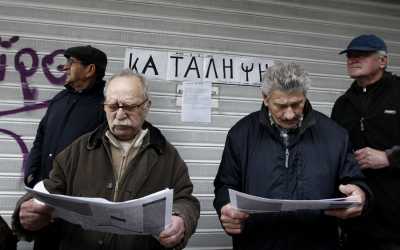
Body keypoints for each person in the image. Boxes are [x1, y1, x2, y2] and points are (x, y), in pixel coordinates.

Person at [12, 70, 200, 250]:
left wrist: (180, 219)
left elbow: (185, 199)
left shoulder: (167, 156)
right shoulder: (78, 150)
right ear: (104, 106)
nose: (119, 115)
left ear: (146, 106)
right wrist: (28, 210)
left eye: (129, 106)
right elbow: (48, 189)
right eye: (112, 106)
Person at [213, 62, 370, 250]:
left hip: (319, 243)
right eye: (281, 105)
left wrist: (360, 193)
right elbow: (225, 185)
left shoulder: (335, 135)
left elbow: (355, 181)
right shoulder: (240, 134)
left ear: (305, 97)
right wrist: (225, 207)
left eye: (297, 104)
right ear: (265, 98)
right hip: (257, 243)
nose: (289, 114)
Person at [331, 34, 400, 250]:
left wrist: (389, 157)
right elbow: (334, 153)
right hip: (357, 222)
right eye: (350, 55)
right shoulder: (342, 104)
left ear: (382, 61)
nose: (353, 59)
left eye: (362, 54)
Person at [24, 45, 108, 188]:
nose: (64, 67)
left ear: (90, 70)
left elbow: (103, 160)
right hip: (42, 188)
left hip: (72, 198)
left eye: (71, 62)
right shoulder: (59, 100)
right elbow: (40, 139)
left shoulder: (105, 109)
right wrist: (31, 174)